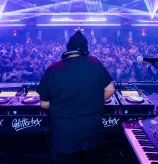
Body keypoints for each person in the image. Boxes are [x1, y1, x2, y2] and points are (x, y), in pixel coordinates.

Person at [37, 30, 115, 164]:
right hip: (91, 132)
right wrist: (93, 99)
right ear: (85, 49)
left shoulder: (52, 69)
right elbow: (110, 89)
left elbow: (44, 104)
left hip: (64, 134)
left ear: (68, 48)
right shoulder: (94, 63)